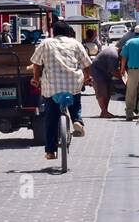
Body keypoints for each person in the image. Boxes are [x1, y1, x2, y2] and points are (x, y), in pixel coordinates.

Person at [30, 21, 92, 162]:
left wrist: (35, 79)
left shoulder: (45, 43)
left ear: (53, 32)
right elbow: (87, 64)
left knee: (51, 118)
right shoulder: (75, 44)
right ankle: (77, 120)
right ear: (69, 33)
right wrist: (87, 78)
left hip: (52, 87)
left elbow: (36, 63)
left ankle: (51, 152)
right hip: (73, 84)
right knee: (75, 103)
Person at [90, 40, 120, 118]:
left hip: (105, 72)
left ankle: (104, 111)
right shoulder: (114, 55)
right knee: (101, 92)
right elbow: (113, 71)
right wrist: (123, 78)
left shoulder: (115, 52)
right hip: (97, 72)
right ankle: (104, 111)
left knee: (108, 92)